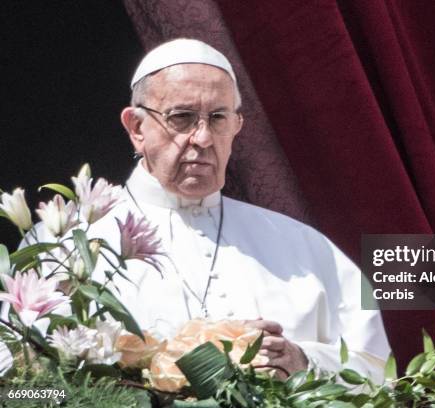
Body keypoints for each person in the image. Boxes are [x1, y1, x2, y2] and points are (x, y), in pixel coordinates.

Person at [7, 38, 391, 381]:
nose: (203, 138)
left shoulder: (306, 248)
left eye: (218, 118)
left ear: (237, 125)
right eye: (182, 118)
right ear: (136, 127)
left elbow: (378, 371)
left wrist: (303, 361)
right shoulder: (63, 248)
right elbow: (15, 376)